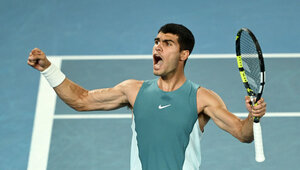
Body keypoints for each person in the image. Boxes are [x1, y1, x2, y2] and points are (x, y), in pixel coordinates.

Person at [27, 23, 266, 170]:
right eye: (156, 41)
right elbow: (81, 100)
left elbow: (243, 134)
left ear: (184, 54)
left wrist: (252, 117)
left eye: (167, 43)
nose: (157, 47)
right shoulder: (133, 90)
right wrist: (49, 69)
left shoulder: (203, 98)